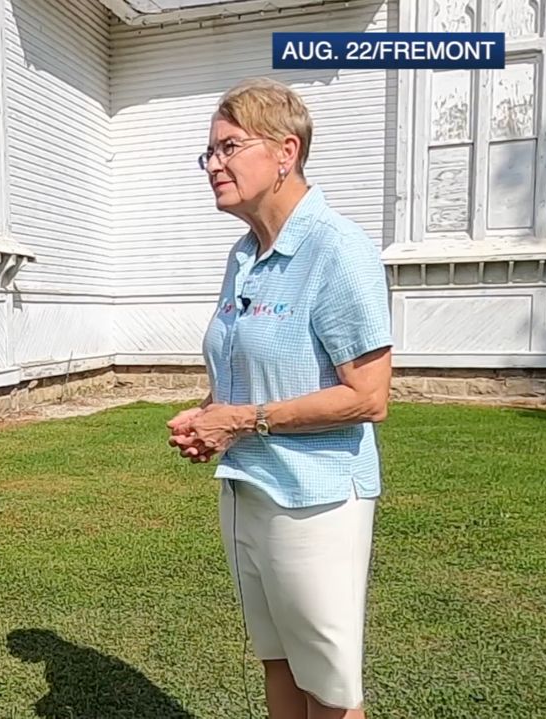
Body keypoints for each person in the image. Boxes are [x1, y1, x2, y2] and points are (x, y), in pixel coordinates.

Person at [166, 77, 393, 719]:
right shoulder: (243, 256)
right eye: (207, 153)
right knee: (280, 664)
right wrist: (209, 412)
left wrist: (241, 419)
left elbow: (369, 397)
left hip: (315, 499)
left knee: (329, 687)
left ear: (286, 151)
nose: (214, 165)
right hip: (247, 491)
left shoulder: (337, 249)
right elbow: (243, 368)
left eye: (228, 148)